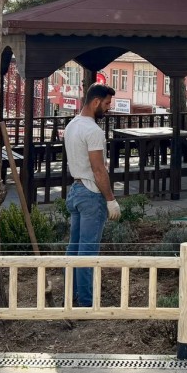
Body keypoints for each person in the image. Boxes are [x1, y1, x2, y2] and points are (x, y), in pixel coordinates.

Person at [64, 83, 122, 307]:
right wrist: (110, 200)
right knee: (88, 251)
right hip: (91, 193)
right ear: (96, 102)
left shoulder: (72, 125)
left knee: (74, 248)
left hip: (75, 189)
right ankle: (86, 303)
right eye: (106, 103)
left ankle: (70, 296)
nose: (108, 108)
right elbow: (98, 170)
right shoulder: (93, 131)